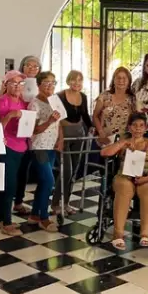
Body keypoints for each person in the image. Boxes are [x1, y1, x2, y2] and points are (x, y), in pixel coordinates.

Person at [101, 113, 148, 250]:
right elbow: (104, 153)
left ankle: (145, 233)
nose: (138, 128)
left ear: (146, 128)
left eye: (141, 125)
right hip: (124, 177)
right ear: (129, 127)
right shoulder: (123, 142)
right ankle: (118, 234)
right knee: (124, 187)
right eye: (134, 125)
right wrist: (122, 143)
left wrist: (147, 178)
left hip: (146, 177)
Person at [54, 70, 93, 215]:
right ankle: (55, 202)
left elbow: (85, 115)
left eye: (80, 80)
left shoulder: (83, 96)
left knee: (74, 171)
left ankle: (66, 202)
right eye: (74, 80)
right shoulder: (59, 96)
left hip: (79, 135)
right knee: (66, 171)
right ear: (68, 81)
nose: (77, 83)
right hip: (63, 135)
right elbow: (57, 118)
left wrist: (92, 128)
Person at [28, 71, 62, 232]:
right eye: (47, 83)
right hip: (39, 146)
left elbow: (59, 122)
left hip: (52, 146)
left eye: (53, 83)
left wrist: (60, 140)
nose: (50, 86)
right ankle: (44, 217)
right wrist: (49, 120)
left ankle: (34, 214)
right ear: (39, 85)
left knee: (44, 182)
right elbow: (33, 129)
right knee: (49, 181)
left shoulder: (55, 101)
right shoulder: (34, 104)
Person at [0, 71, 28, 236]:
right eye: (13, 83)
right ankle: (6, 222)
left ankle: (1, 218)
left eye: (20, 83)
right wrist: (10, 115)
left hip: (21, 146)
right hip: (7, 147)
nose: (17, 86)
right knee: (8, 185)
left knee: (11, 184)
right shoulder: (2, 101)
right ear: (6, 84)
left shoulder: (23, 102)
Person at [14, 55, 42, 213]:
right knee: (15, 168)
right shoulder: (16, 82)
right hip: (16, 129)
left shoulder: (41, 84)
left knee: (26, 167)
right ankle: (9, 200)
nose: (32, 68)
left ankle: (19, 200)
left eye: (35, 66)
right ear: (22, 66)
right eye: (28, 65)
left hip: (34, 131)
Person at [93, 67, 136, 144]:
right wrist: (100, 132)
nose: (121, 80)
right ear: (113, 80)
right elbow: (95, 116)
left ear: (129, 81)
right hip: (104, 140)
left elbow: (135, 121)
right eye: (118, 78)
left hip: (123, 142)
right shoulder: (104, 96)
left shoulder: (132, 100)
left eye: (124, 78)